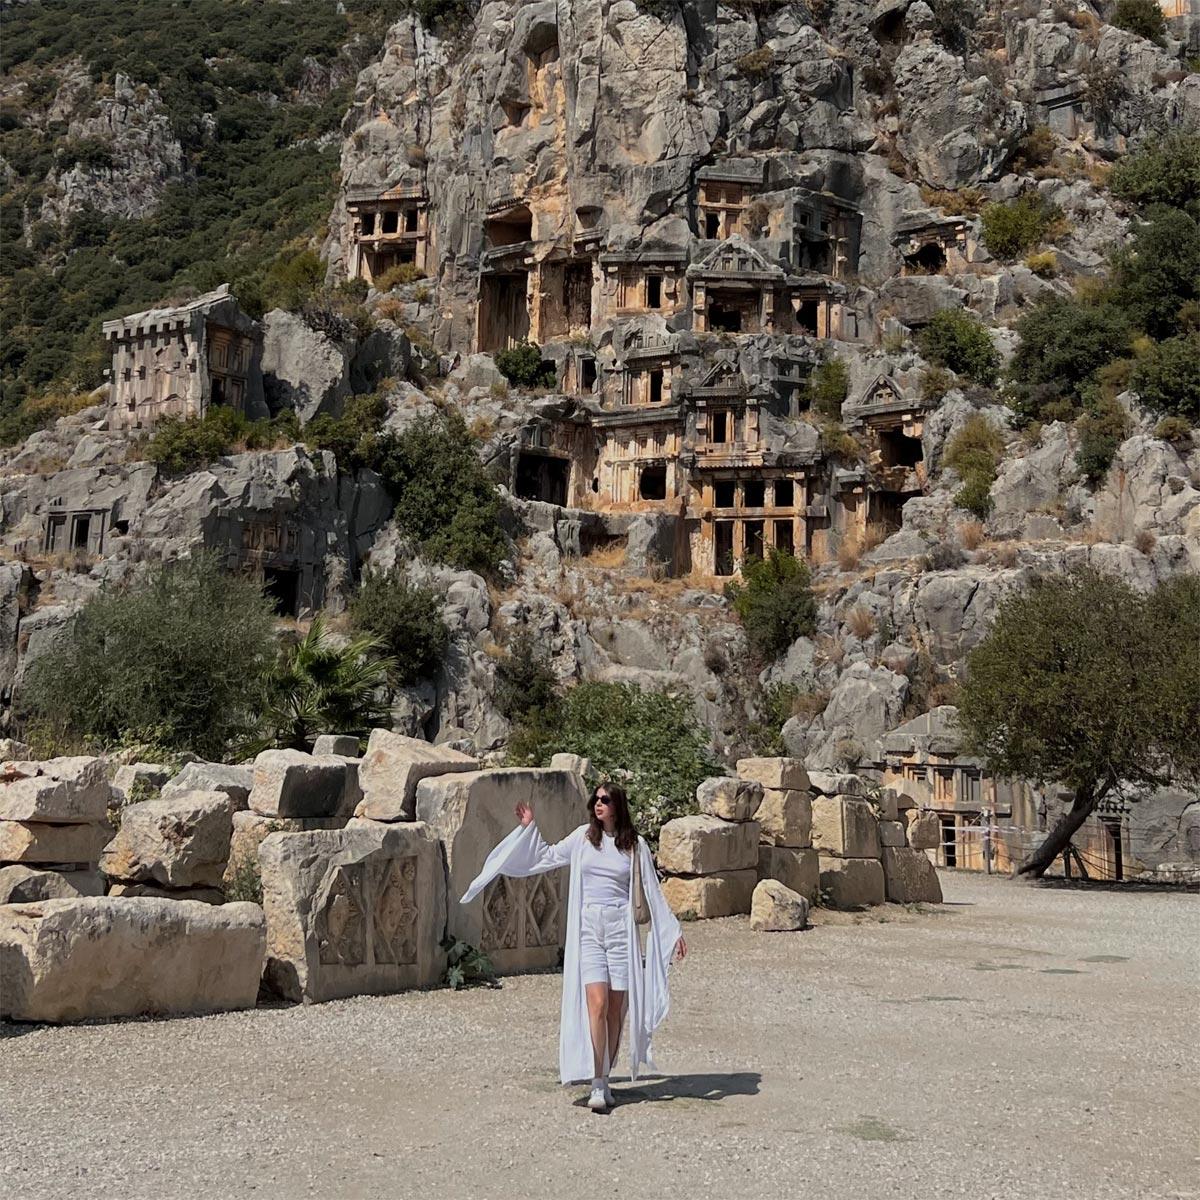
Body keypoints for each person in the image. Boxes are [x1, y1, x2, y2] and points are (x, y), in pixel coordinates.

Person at [460, 782, 687, 1112]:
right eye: (595, 799)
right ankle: (597, 1083)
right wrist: (530, 828)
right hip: (589, 929)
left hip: (621, 933)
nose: (598, 804)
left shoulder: (634, 845)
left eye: (605, 799)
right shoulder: (583, 838)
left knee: (615, 1011)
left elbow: (652, 890)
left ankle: (605, 1075)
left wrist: (673, 930)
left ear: (618, 806)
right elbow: (547, 856)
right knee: (596, 1003)